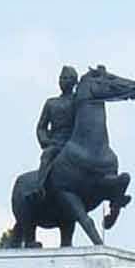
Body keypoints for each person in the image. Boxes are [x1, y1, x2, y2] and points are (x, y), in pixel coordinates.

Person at [28, 65, 78, 202]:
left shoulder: (78, 101)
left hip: (73, 142)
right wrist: (45, 140)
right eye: (61, 78)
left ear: (74, 81)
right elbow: (41, 127)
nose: (63, 81)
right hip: (56, 143)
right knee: (47, 155)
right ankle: (39, 187)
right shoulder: (51, 103)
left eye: (67, 78)